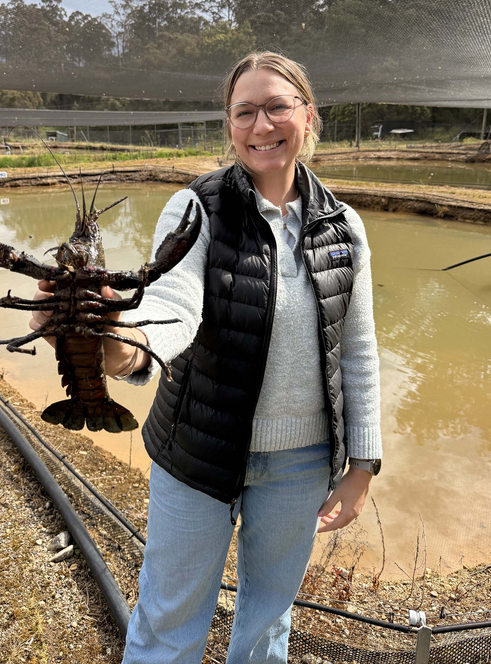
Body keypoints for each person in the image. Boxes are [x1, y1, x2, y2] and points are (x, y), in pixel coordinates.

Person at [30, 51, 382, 664]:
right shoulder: (196, 208)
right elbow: (173, 306)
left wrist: (363, 465)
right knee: (169, 620)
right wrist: (118, 345)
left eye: (277, 107)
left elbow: (357, 347)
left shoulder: (342, 225)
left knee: (269, 620)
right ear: (229, 124)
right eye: (244, 112)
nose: (261, 125)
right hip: (196, 449)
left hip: (302, 463)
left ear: (309, 116)